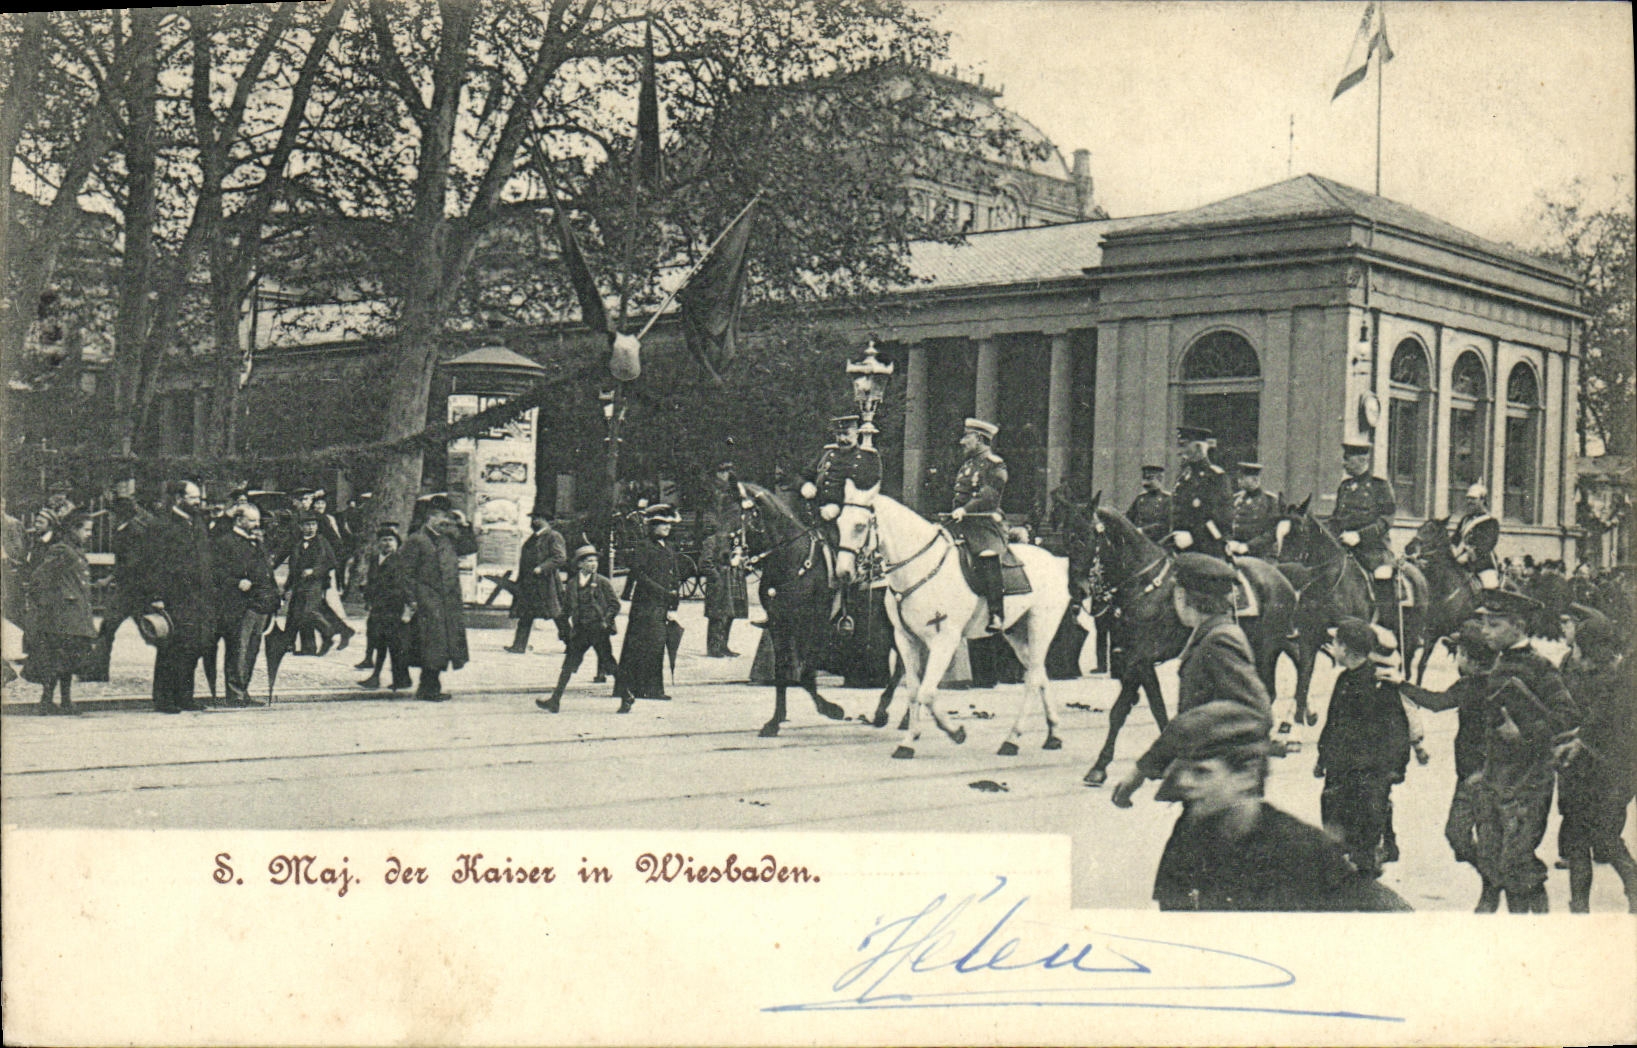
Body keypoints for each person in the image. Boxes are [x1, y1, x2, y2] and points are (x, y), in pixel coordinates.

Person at [1399, 589, 1580, 912]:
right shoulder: (1496, 665)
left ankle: (1537, 927)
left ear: (1518, 626)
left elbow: (1567, 717)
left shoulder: (1540, 667)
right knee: (1495, 860)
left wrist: (1523, 733)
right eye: (1484, 624)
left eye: (1494, 625)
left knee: (1517, 863)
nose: (1485, 631)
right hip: (1493, 781)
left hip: (1527, 782)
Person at [1146, 701, 1410, 911]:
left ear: (1247, 776)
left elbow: (1391, 914)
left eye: (1202, 772)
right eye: (1182, 771)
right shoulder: (1187, 837)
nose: (1185, 783)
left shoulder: (1300, 849)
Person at [1105, 553, 1273, 797]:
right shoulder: (1211, 634)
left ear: (1181, 596)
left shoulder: (1220, 639)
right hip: (1211, 783)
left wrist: (1142, 770)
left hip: (1223, 787)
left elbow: (1257, 710)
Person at [1314, 617, 1412, 878]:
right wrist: (1322, 758)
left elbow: (1397, 728)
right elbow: (1332, 722)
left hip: (1370, 772)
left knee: (1365, 828)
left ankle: (1369, 866)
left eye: (1335, 643)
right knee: (1334, 819)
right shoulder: (1343, 679)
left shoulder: (1380, 683)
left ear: (1345, 649)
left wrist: (1396, 768)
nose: (1332, 647)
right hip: (1339, 769)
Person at [1556, 614, 1637, 912]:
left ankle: (1629, 890)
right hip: (1580, 769)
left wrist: (1579, 738)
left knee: (1600, 838)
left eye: (1578, 646)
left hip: (1602, 771)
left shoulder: (1615, 683)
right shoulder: (1581, 670)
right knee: (1585, 839)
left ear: (1588, 650)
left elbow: (1602, 724)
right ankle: (1580, 904)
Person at [144, 480, 216, 713]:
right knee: (171, 648)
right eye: (193, 498)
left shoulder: (198, 523)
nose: (198, 502)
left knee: (192, 647)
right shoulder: (162, 525)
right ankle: (164, 698)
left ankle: (185, 696)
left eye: (199, 498)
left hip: (198, 598)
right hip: (173, 597)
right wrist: (156, 595)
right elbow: (154, 563)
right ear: (178, 498)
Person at [397, 496, 477, 702]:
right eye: (440, 516)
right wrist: (411, 599)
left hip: (448, 602)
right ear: (429, 517)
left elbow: (470, 547)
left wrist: (464, 524)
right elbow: (405, 572)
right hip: (427, 600)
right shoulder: (416, 539)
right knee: (431, 646)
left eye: (446, 517)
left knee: (441, 646)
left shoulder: (447, 539)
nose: (445, 521)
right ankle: (428, 688)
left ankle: (430, 686)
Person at [23, 509, 98, 715]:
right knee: (56, 660)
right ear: (74, 529)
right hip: (63, 618)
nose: (89, 534)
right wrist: (53, 602)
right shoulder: (62, 550)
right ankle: (47, 701)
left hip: (74, 617)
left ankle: (65, 701)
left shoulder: (74, 550)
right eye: (86, 530)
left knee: (69, 660)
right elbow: (39, 578)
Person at [538, 545, 622, 713]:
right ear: (579, 564)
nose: (593, 564)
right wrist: (563, 626)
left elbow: (615, 604)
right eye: (589, 561)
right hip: (581, 630)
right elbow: (567, 609)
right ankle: (555, 700)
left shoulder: (602, 582)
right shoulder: (572, 584)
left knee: (609, 663)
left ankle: (626, 696)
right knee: (569, 664)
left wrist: (606, 621)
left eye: (595, 561)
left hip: (598, 629)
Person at [211, 504, 279, 707]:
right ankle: (235, 693)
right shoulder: (225, 542)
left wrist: (275, 594)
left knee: (252, 649)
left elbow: (267, 570)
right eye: (251, 520)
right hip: (239, 604)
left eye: (257, 520)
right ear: (239, 520)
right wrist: (236, 582)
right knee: (238, 649)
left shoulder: (257, 542)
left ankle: (244, 690)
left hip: (260, 603)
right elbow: (215, 571)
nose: (256, 524)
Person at [615, 503, 683, 703]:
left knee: (656, 645)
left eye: (669, 524)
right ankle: (635, 687)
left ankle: (651, 688)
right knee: (643, 645)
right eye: (662, 524)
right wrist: (663, 592)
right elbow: (639, 574)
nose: (667, 527)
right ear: (652, 525)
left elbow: (674, 574)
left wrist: (674, 601)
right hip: (646, 604)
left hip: (662, 603)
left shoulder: (668, 547)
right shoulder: (644, 546)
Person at [947, 417, 1010, 632]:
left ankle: (996, 613)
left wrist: (965, 510)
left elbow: (989, 495)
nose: (962, 441)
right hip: (961, 523)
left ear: (980, 439)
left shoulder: (995, 464)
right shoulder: (967, 465)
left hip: (984, 524)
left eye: (967, 437)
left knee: (987, 556)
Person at [1331, 440, 1399, 622]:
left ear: (1362, 460)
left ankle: (1386, 622)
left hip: (1373, 550)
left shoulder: (1380, 487)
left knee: (1382, 575)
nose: (1344, 463)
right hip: (1344, 548)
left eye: (1348, 459)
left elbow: (1385, 521)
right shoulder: (1344, 487)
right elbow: (1336, 519)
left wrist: (1359, 536)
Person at [283, 514, 348, 656]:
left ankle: (329, 633)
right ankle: (308, 647)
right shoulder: (298, 544)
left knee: (309, 612)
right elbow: (293, 568)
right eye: (307, 525)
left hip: (316, 583)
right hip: (299, 583)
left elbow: (332, 563)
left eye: (313, 524)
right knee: (300, 614)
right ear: (301, 527)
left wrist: (314, 571)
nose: (311, 528)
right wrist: (287, 587)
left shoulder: (322, 541)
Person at [358, 525, 412, 690]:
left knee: (391, 644)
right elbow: (372, 581)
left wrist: (408, 606)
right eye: (384, 540)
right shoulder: (376, 559)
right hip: (378, 607)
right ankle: (398, 679)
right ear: (378, 543)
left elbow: (402, 585)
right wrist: (368, 597)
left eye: (391, 540)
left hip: (393, 607)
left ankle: (383, 678)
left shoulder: (400, 561)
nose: (387, 543)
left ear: (397, 543)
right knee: (382, 642)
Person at [506, 513, 567, 654]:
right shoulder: (534, 538)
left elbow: (560, 557)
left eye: (537, 518)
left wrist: (542, 568)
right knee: (526, 614)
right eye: (533, 518)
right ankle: (518, 646)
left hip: (546, 584)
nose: (533, 521)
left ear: (546, 520)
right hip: (529, 583)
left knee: (557, 614)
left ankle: (572, 644)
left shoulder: (553, 536)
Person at [1168, 426, 1231, 560]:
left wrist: (1194, 537)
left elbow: (1222, 521)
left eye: (1184, 445)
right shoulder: (1183, 478)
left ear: (1198, 447)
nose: (1179, 451)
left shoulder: (1215, 477)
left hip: (1207, 549)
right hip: (1179, 549)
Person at [701, 522, 747, 658]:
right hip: (720, 583)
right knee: (717, 615)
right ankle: (714, 648)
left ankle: (723, 646)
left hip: (733, 580)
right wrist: (718, 577)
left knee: (730, 614)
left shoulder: (733, 542)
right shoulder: (711, 541)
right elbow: (705, 563)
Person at [1450, 483, 1501, 590]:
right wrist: (1453, 549)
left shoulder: (1491, 522)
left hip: (1481, 565)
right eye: (1468, 498)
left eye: (1473, 499)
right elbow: (1455, 539)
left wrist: (1467, 556)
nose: (1469, 501)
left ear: (1482, 500)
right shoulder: (1465, 520)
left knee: (1490, 585)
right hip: (1460, 562)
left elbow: (1486, 546)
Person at [1226, 462, 1281, 559]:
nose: (1239, 481)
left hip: (1257, 554)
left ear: (1255, 480)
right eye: (1239, 478)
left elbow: (1272, 532)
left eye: (1243, 478)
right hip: (1234, 551)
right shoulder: (1236, 499)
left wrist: (1248, 547)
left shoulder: (1269, 501)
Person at [1126, 464, 1172, 544]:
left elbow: (1165, 525)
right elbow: (1128, 519)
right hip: (1137, 541)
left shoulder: (1167, 499)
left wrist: (1143, 531)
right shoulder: (1140, 498)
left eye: (1150, 478)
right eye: (1144, 478)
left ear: (1159, 479)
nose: (1146, 482)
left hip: (1157, 543)